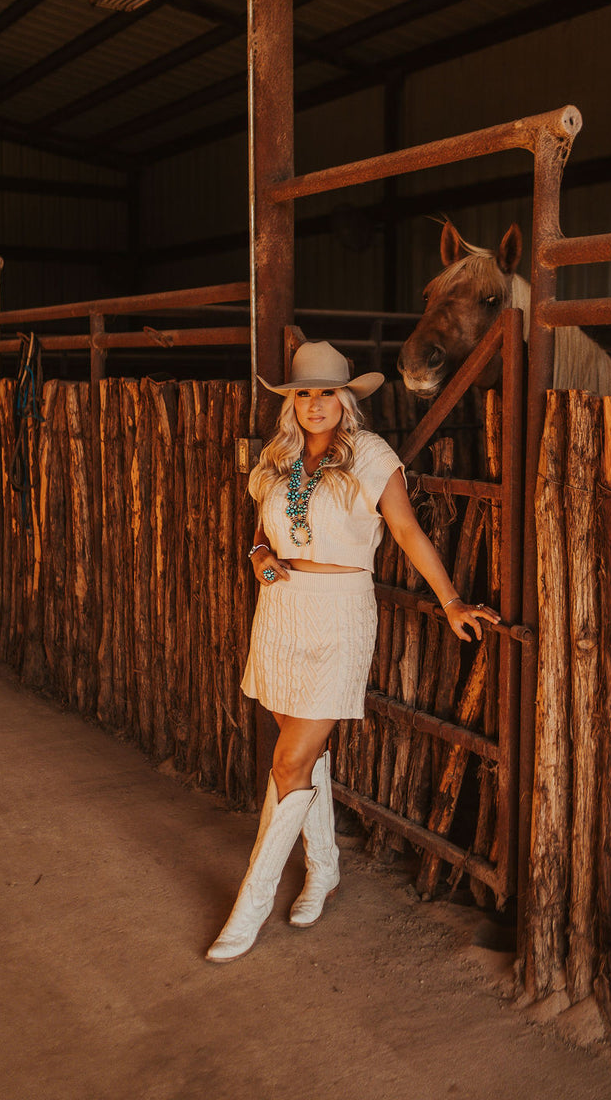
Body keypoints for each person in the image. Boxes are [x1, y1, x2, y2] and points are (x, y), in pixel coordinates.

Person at [206, 341, 500, 963]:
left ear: (346, 399)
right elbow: (263, 527)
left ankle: (250, 905)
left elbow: (405, 530)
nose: (315, 404)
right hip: (280, 610)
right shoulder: (279, 457)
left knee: (289, 761)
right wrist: (258, 554)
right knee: (303, 755)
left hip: (339, 613)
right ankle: (324, 869)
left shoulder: (370, 454)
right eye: (303, 394)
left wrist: (451, 600)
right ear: (291, 402)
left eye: (326, 393)